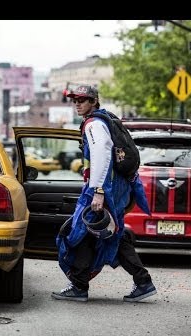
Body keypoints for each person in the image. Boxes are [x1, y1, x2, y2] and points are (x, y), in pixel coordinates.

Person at [51, 85, 157, 302]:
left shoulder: (93, 124)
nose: (78, 103)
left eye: (83, 99)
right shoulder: (102, 120)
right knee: (108, 234)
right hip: (113, 187)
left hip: (105, 188)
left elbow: (102, 156)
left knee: (83, 233)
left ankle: (80, 286)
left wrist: (98, 191)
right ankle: (143, 281)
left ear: (94, 102)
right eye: (75, 100)